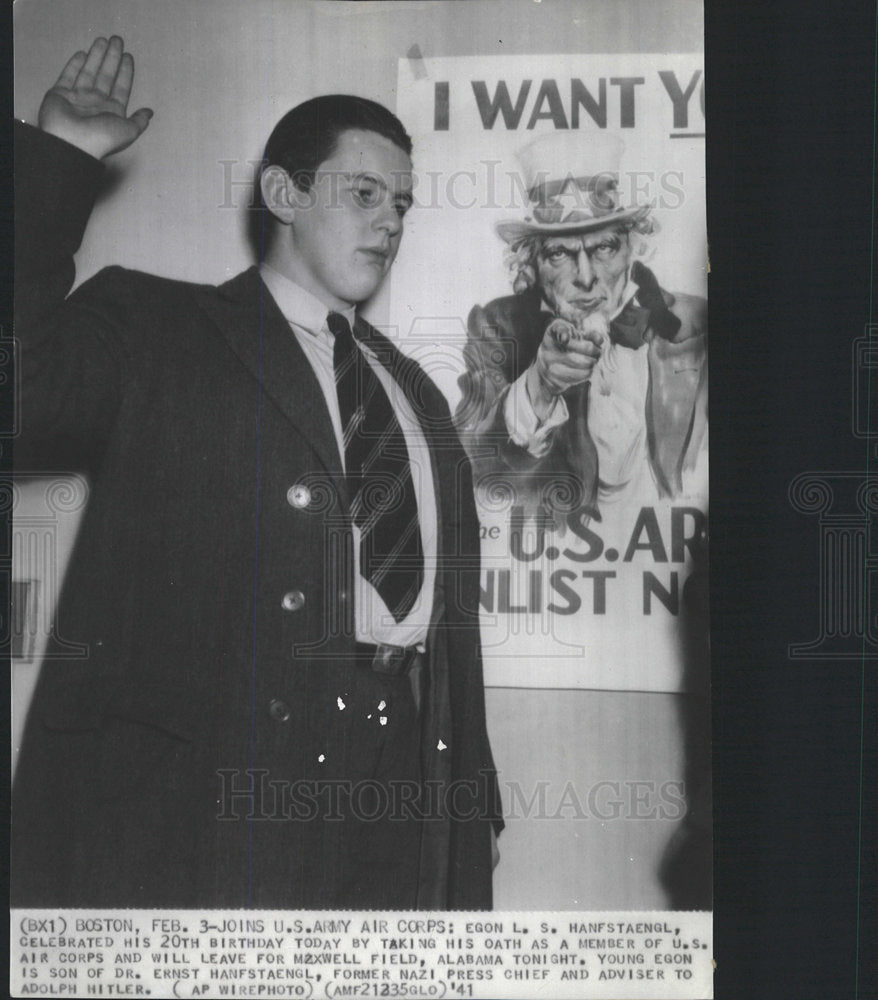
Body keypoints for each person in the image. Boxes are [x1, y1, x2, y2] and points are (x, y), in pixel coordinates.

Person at [12, 36, 500, 909]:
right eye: (363, 192)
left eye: (402, 203)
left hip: (405, 785)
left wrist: (468, 809)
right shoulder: (160, 327)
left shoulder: (414, 388)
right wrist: (59, 168)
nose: (390, 220)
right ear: (284, 192)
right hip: (212, 793)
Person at [456, 132, 708, 520]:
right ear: (530, 264)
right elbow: (470, 462)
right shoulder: (498, 326)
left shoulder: (695, 323)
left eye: (604, 248)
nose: (586, 278)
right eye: (559, 253)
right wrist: (540, 386)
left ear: (632, 248)